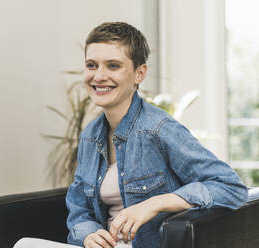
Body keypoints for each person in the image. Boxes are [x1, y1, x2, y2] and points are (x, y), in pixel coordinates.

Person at [14, 22, 248, 248]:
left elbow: (230, 188)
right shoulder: (90, 135)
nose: (98, 76)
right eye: (92, 65)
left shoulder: (158, 128)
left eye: (113, 65)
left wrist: (154, 204)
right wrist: (88, 235)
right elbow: (79, 208)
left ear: (139, 74)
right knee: (24, 245)